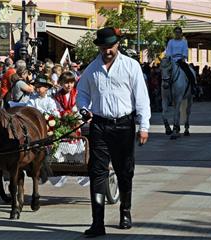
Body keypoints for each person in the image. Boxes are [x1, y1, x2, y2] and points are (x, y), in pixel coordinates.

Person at [76, 27, 151, 237]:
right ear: (99, 46)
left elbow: (142, 98)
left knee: (125, 171)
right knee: (97, 172)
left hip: (124, 125)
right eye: (104, 46)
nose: (107, 50)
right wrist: (83, 108)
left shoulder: (131, 66)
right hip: (99, 125)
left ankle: (125, 211)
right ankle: (97, 222)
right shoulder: (91, 69)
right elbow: (81, 94)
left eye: (110, 46)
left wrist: (143, 126)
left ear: (117, 44)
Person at [165, 26, 197, 95]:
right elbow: (168, 51)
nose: (177, 34)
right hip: (171, 60)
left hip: (180, 60)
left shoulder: (184, 42)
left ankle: (193, 86)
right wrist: (169, 57)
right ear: (174, 33)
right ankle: (161, 89)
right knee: (164, 72)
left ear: (181, 33)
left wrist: (183, 57)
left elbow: (185, 50)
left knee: (189, 71)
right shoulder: (171, 42)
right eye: (176, 32)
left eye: (179, 32)